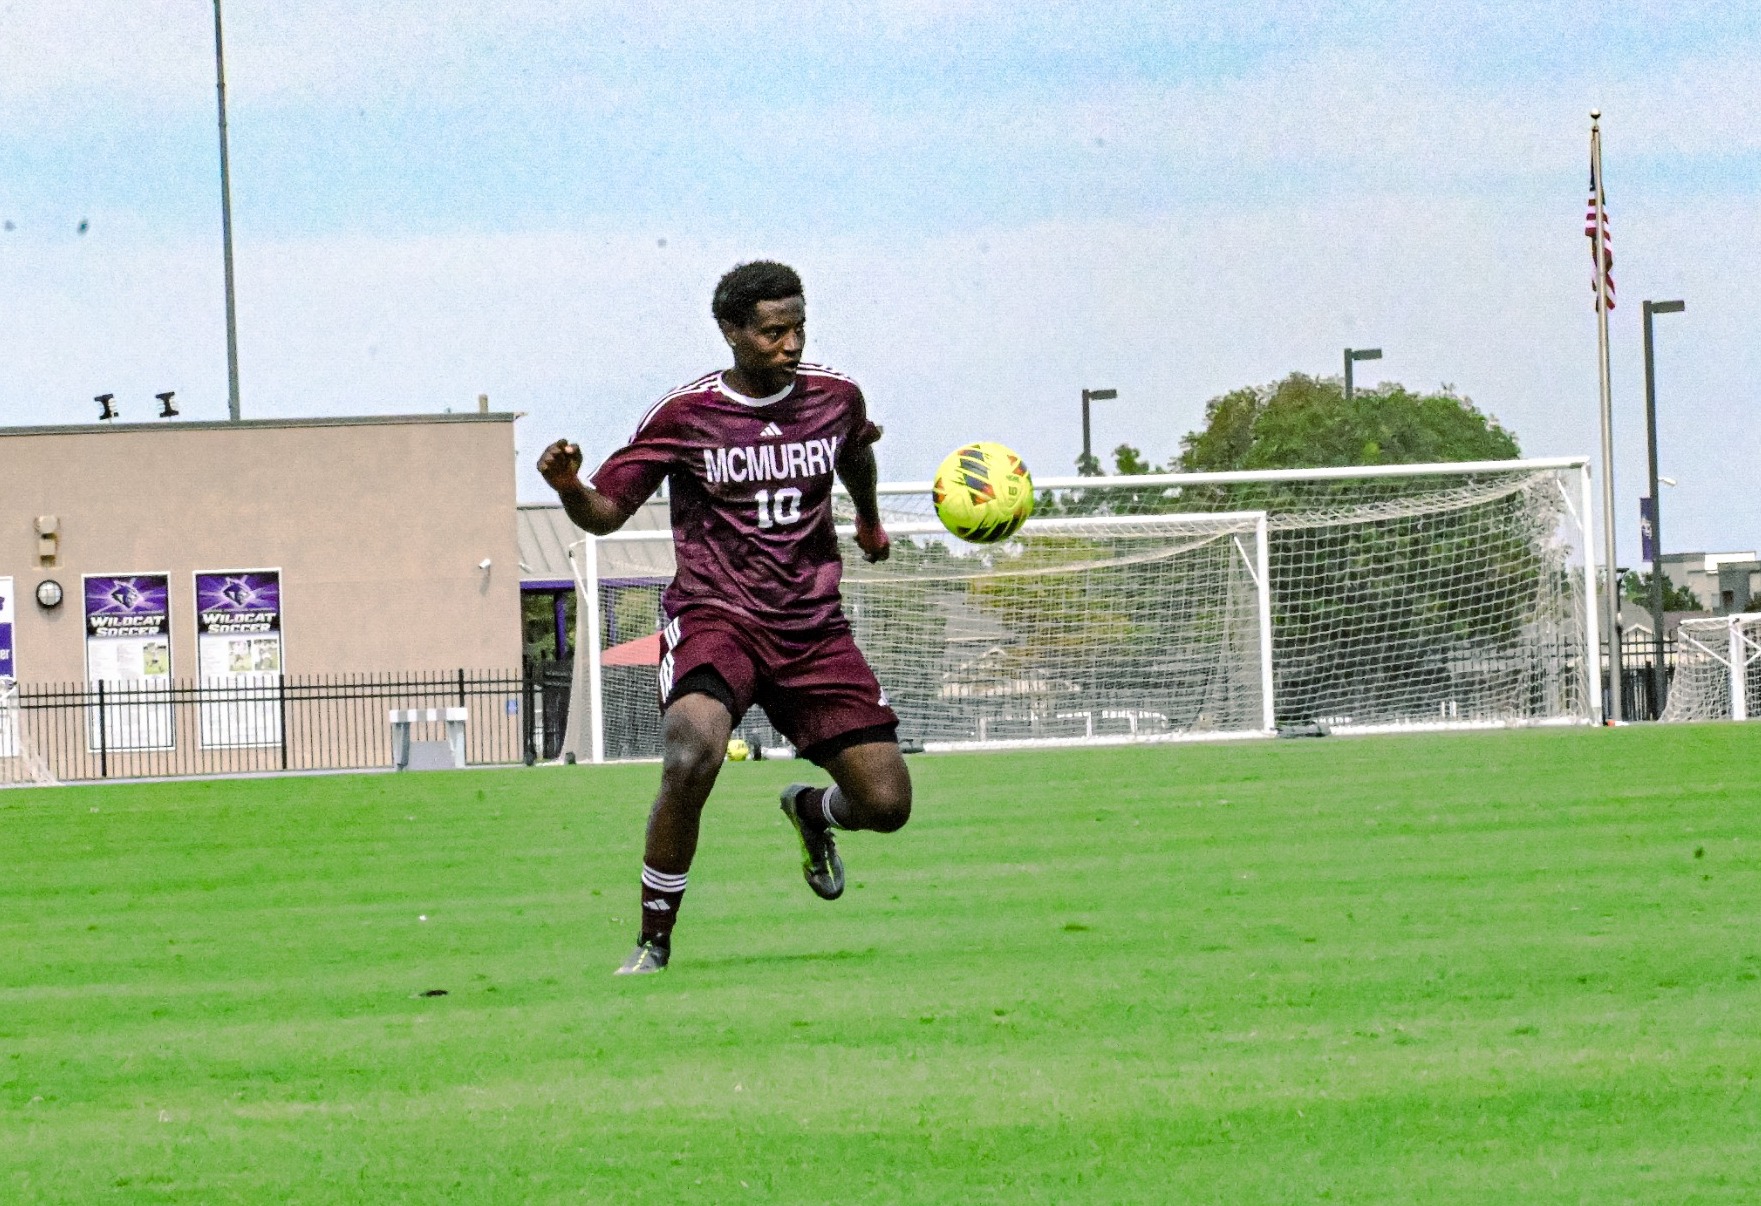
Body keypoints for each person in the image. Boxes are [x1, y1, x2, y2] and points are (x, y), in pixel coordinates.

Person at [537, 261, 913, 975]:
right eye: (773, 332)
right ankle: (653, 940)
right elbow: (607, 515)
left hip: (812, 627)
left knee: (887, 804)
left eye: (799, 328)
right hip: (718, 617)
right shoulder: (684, 415)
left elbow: (855, 454)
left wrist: (867, 520)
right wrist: (568, 487)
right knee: (691, 754)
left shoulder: (836, 396)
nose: (791, 344)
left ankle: (811, 811)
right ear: (731, 331)